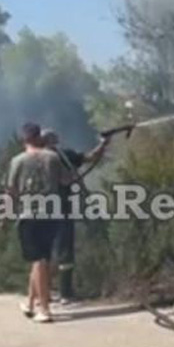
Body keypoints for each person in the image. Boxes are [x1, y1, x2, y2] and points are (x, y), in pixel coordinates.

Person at [41, 129, 109, 304]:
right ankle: (51, 293)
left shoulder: (64, 156)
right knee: (52, 253)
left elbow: (90, 158)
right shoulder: (42, 159)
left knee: (59, 252)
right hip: (51, 210)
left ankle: (58, 292)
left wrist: (103, 143)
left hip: (57, 210)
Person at [6, 122, 63, 323]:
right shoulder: (53, 158)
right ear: (39, 137)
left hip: (29, 215)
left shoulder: (17, 161)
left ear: (24, 139)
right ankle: (30, 303)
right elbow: (67, 180)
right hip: (52, 214)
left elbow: (11, 191)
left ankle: (45, 309)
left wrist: (5, 215)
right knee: (41, 260)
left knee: (38, 260)